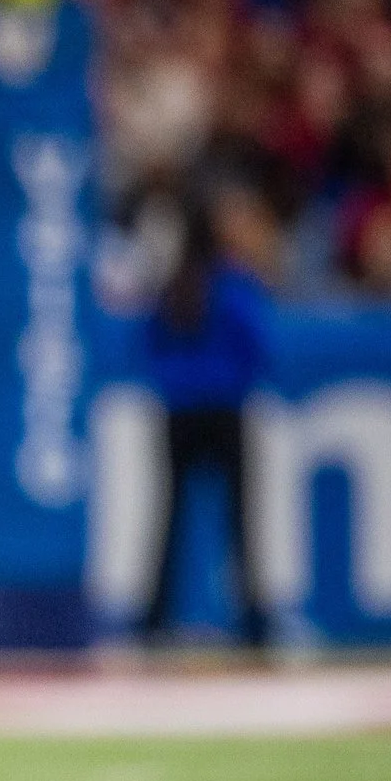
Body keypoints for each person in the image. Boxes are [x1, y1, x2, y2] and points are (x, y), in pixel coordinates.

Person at [138, 199, 272, 648]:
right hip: (223, 412)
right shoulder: (233, 286)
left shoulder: (174, 287)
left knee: (170, 518)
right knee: (239, 520)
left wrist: (177, 383)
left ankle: (157, 618)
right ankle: (252, 619)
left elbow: (149, 345)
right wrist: (229, 382)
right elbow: (257, 346)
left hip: (179, 415)